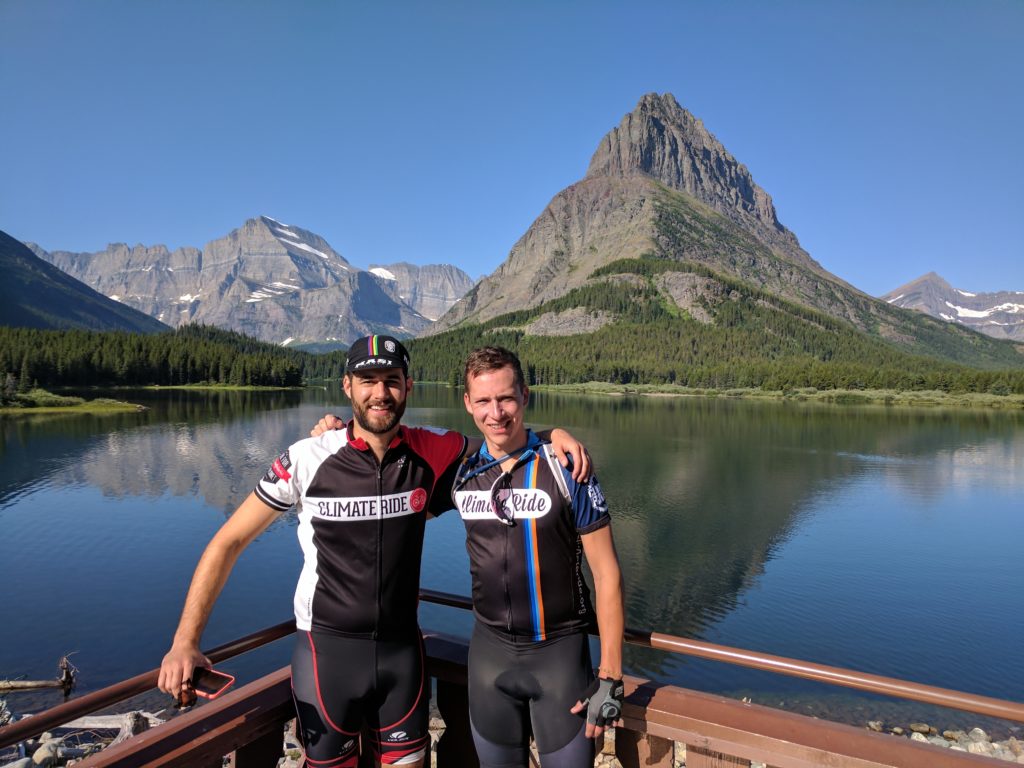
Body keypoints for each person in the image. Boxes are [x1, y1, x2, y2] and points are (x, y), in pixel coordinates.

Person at [157, 335, 590, 768]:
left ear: (409, 387)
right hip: (327, 654)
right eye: (368, 380)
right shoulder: (307, 457)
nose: (380, 393)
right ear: (347, 386)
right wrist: (185, 641)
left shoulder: (433, 450)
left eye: (391, 381)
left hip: (402, 657)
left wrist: (554, 434)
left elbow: (503, 437)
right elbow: (227, 542)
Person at [313, 345, 624, 768]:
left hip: (560, 659)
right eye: (483, 401)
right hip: (488, 660)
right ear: (468, 404)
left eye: (506, 398)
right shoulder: (462, 471)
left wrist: (610, 674)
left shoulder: (568, 469)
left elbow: (607, 575)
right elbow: (384, 490)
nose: (496, 413)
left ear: (526, 396)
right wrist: (336, 435)